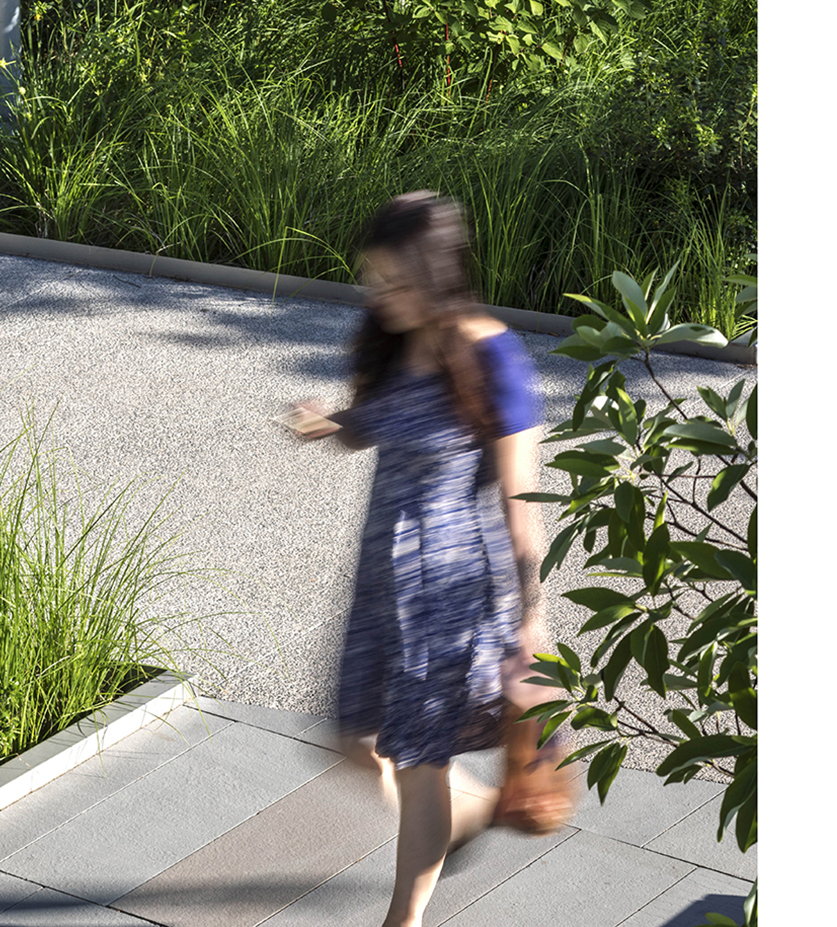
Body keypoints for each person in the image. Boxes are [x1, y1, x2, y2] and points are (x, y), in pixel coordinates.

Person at [287, 191, 555, 927]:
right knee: (348, 740)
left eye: (399, 283)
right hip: (384, 585)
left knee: (416, 763)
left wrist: (529, 621)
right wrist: (330, 421)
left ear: (440, 275)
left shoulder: (492, 354)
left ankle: (401, 918)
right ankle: (466, 810)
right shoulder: (395, 336)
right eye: (374, 280)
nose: (382, 297)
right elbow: (377, 421)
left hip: (455, 594)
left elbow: (520, 503)